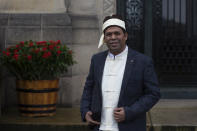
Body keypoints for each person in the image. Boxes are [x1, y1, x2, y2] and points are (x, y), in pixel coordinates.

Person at [80, 14, 160, 131]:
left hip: (129, 126)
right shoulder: (97, 60)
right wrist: (85, 110)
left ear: (125, 36)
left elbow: (153, 94)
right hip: (99, 126)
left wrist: (129, 112)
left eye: (117, 33)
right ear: (104, 38)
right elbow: (89, 87)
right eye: (109, 34)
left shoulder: (143, 61)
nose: (113, 37)